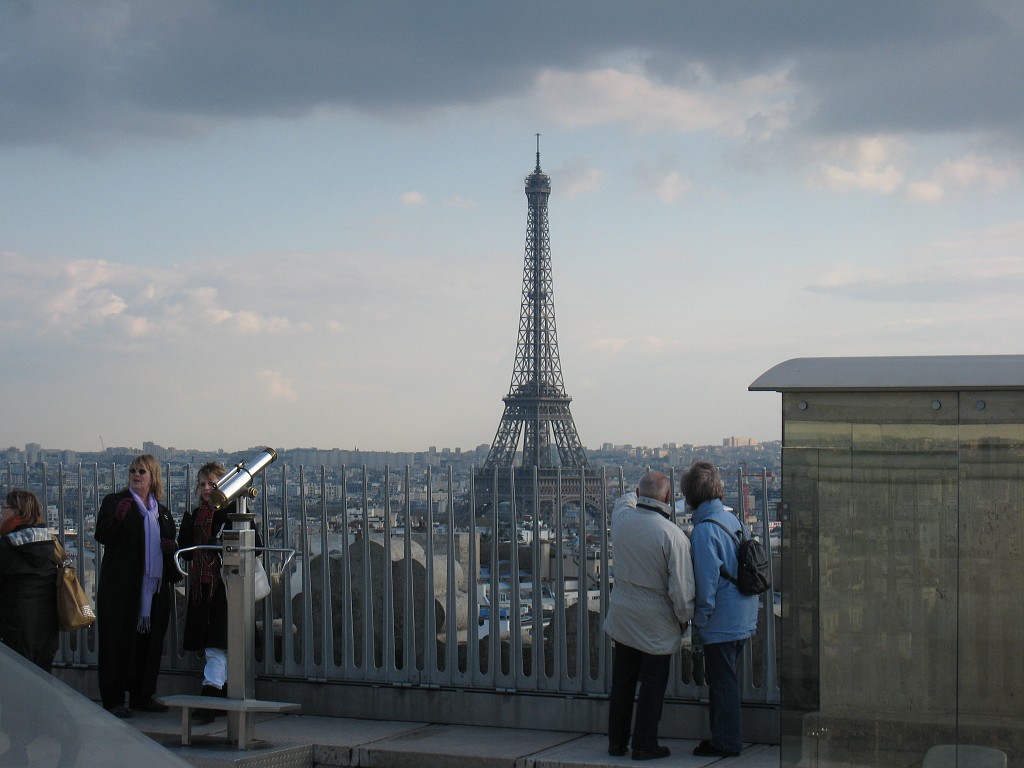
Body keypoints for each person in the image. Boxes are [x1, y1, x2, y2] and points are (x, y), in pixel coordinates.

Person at [603, 471, 694, 761]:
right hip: (656, 620)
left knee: (623, 682)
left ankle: (616, 743)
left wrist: (636, 490)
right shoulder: (673, 536)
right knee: (653, 684)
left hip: (624, 614)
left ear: (640, 495)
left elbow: (623, 500)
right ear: (668, 499)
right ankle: (644, 743)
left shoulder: (622, 521)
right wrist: (683, 619)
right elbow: (681, 589)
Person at [681, 460, 759, 758]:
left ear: (690, 495)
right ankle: (724, 737)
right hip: (743, 610)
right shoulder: (732, 520)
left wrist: (698, 621)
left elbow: (706, 586)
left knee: (722, 683)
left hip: (722, 619)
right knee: (726, 679)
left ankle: (726, 741)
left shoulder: (703, 531)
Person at [176, 461, 263, 723]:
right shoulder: (196, 515)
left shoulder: (231, 515)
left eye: (211, 484)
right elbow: (185, 546)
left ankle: (210, 697)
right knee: (217, 646)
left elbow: (253, 546)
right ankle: (220, 694)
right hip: (207, 589)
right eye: (202, 484)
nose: (206, 489)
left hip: (222, 588)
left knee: (216, 646)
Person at [94, 454, 180, 717]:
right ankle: (114, 698)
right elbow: (102, 535)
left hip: (152, 590)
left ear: (153, 477)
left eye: (142, 471)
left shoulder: (161, 513)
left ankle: (143, 695)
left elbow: (173, 550)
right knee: (117, 642)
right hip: (122, 589)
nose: (136, 474)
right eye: (133, 470)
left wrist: (171, 549)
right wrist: (118, 519)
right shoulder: (116, 502)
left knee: (149, 643)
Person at [0, 489, 59, 671]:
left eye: (4, 508)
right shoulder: (52, 544)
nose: (2, 513)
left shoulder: (7, 547)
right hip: (47, 626)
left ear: (17, 512)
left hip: (14, 625)